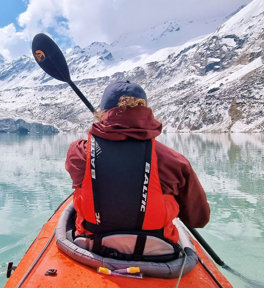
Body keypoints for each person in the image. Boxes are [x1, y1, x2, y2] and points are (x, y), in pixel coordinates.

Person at [65, 80, 210, 246]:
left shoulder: (78, 153)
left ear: (103, 113)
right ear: (145, 111)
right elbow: (198, 219)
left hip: (92, 247)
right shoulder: (174, 161)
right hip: (158, 251)